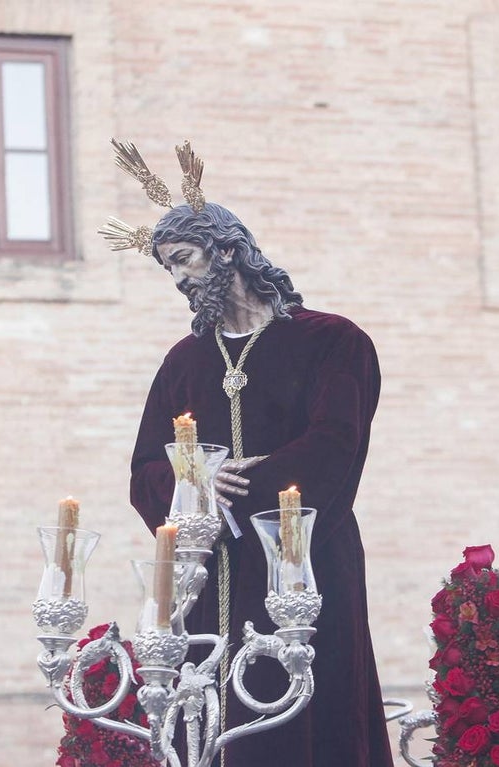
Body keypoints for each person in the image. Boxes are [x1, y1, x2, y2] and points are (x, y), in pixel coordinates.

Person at [127, 197, 394, 767]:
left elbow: (335, 447)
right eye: (167, 267)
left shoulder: (334, 342)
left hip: (305, 562)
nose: (177, 279)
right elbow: (145, 470)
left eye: (183, 258)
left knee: (307, 723)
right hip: (209, 572)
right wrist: (199, 481)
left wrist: (248, 489)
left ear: (227, 249)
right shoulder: (184, 361)